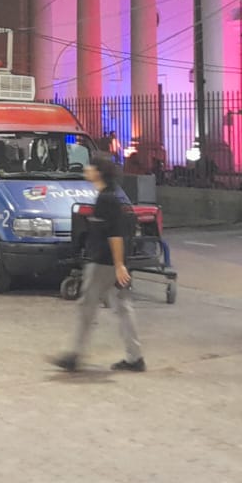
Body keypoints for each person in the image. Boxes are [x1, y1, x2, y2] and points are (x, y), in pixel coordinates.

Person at [52, 152, 144, 374]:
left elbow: (115, 234)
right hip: (111, 262)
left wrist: (119, 264)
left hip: (103, 263)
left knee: (87, 307)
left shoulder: (106, 199)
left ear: (98, 172)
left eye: (89, 167)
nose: (86, 170)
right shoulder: (111, 196)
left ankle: (74, 355)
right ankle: (135, 357)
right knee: (123, 307)